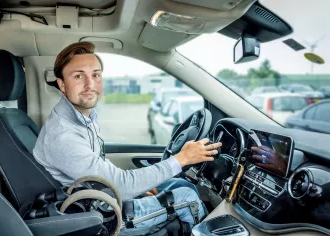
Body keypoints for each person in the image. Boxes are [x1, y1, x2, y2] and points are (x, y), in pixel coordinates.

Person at [33, 42, 222, 229]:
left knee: (181, 184)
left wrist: (142, 187)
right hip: (97, 214)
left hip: (99, 193)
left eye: (96, 75)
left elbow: (102, 170)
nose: (90, 84)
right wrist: (182, 158)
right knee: (187, 198)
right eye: (78, 76)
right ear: (62, 84)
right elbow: (119, 185)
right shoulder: (62, 135)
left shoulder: (83, 118)